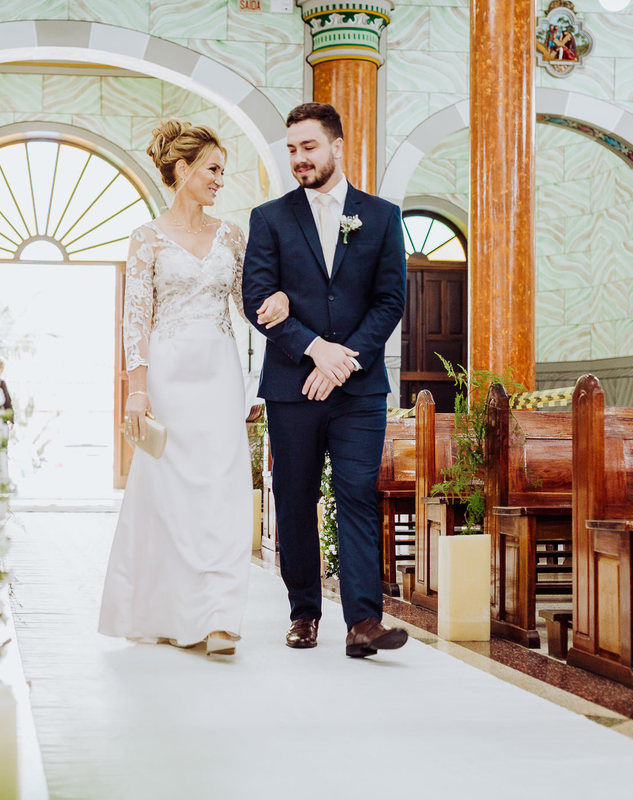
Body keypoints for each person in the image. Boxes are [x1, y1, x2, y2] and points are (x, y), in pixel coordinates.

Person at [99, 119, 291, 657]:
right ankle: (175, 611)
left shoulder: (230, 235)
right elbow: (134, 318)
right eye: (211, 169)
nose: (219, 180)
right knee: (172, 494)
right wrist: (138, 390)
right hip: (167, 373)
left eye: (222, 172)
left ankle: (221, 618)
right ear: (181, 170)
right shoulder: (147, 239)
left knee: (223, 488)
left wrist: (278, 304)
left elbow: (246, 300)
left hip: (219, 373)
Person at [242, 103, 409, 658]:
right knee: (294, 498)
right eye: (291, 149)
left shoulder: (382, 216)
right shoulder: (269, 218)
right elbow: (256, 300)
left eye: (308, 147)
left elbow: (390, 302)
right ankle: (304, 612)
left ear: (337, 145)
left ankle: (364, 620)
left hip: (360, 390)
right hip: (293, 387)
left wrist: (347, 360)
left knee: (357, 493)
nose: (298, 159)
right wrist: (317, 351)